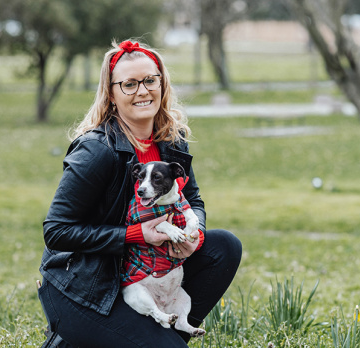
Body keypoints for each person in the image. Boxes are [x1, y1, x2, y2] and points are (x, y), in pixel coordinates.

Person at [38, 39, 242, 348]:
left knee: (223, 246)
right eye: (129, 84)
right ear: (112, 93)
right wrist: (135, 234)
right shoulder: (96, 150)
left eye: (149, 80)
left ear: (162, 83)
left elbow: (194, 201)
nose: (143, 91)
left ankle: (158, 335)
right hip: (87, 286)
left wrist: (194, 235)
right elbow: (57, 231)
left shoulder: (172, 142)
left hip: (147, 275)